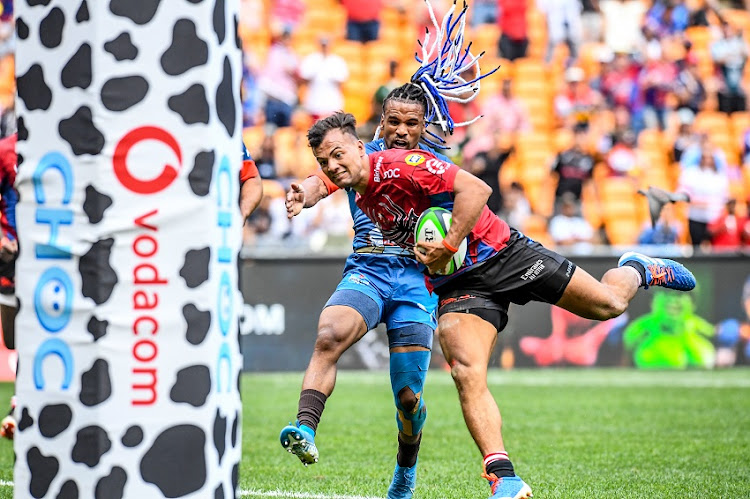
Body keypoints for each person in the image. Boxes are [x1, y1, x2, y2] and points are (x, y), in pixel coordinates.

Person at [306, 111, 696, 498]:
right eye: (326, 162)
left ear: (363, 145)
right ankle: (503, 476)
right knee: (465, 371)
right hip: (460, 282)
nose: (333, 166)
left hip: (505, 254)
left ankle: (637, 269)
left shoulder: (401, 163)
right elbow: (330, 178)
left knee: (608, 304)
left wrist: (446, 244)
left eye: (338, 156)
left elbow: (477, 190)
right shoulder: (360, 189)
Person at [279, 4, 495, 497]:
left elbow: (468, 208)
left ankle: (406, 464)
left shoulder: (437, 166)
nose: (400, 130)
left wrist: (453, 247)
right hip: (369, 272)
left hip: (418, 283)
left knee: (408, 396)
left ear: (424, 125)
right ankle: (306, 428)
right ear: (380, 123)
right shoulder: (361, 156)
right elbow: (324, 179)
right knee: (329, 333)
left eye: (410, 123)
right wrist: (302, 194)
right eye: (392, 121)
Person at [0, 132, 16, 440]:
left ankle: (20, 408)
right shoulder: (5, 151)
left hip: (52, 263)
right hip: (10, 262)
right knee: (16, 343)